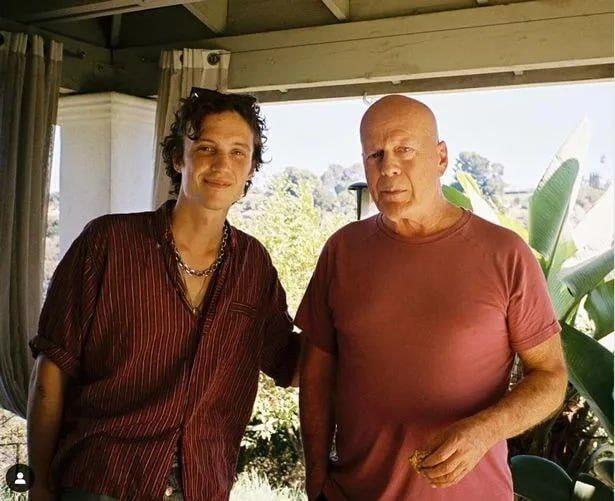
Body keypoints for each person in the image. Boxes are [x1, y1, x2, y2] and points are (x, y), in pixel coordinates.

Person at [27, 88, 301, 501]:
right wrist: (40, 483)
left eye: (238, 153)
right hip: (101, 482)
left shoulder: (254, 266)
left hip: (201, 486)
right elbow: (52, 370)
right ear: (178, 158)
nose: (221, 165)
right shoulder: (108, 243)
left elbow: (291, 363)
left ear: (250, 170)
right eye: (206, 148)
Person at [297, 95, 568, 500]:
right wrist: (316, 476)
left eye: (405, 149)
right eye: (375, 154)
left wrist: (485, 431)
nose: (388, 167)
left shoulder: (504, 254)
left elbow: (551, 377)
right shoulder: (343, 250)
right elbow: (316, 372)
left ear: (441, 158)